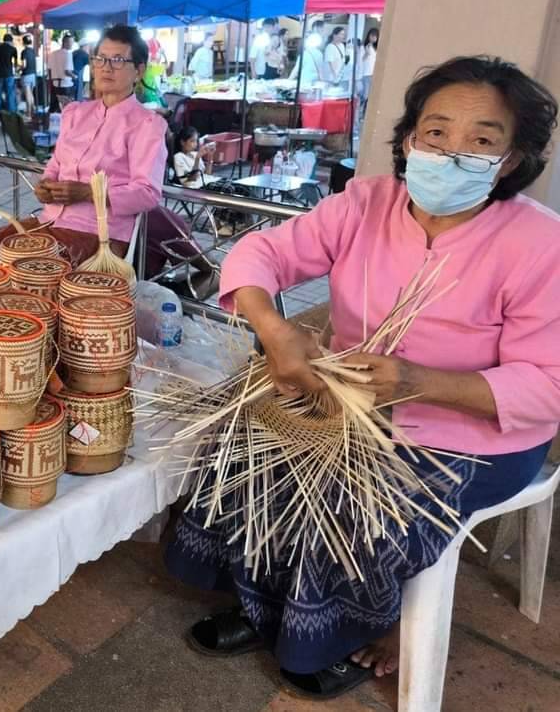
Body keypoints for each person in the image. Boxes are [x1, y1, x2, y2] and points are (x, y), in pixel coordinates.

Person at [165, 55, 560, 700]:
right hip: (347, 398)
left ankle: (361, 629)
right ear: (409, 139)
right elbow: (263, 252)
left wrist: (419, 381)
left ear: (511, 159)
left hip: (469, 432)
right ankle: (264, 605)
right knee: (245, 446)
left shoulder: (541, 244)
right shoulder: (366, 203)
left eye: (482, 140)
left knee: (363, 502)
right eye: (436, 132)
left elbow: (550, 385)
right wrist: (274, 329)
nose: (453, 152)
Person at [0, 24, 166, 266]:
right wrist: (45, 185)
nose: (106, 67)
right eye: (101, 58)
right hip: (50, 222)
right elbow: (56, 164)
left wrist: (89, 193)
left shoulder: (146, 124)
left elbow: (147, 193)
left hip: (98, 234)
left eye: (118, 60)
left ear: (139, 70)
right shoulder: (76, 113)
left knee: (20, 269)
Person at [0, 33, 18, 113]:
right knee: (10, 93)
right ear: (11, 41)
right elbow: (16, 63)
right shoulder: (13, 49)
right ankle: (11, 112)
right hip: (9, 74)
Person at [48, 33, 74, 103]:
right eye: (71, 42)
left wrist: (51, 81)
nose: (72, 44)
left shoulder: (53, 54)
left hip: (55, 84)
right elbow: (67, 72)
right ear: (65, 43)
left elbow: (49, 69)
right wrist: (75, 76)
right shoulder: (68, 54)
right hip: (66, 85)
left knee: (58, 107)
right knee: (67, 107)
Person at [359, 27, 379, 117]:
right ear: (369, 36)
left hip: (374, 74)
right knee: (365, 95)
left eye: (375, 36)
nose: (373, 38)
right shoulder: (363, 47)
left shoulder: (376, 48)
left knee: (371, 96)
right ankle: (360, 112)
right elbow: (361, 60)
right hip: (366, 74)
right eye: (372, 36)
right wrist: (366, 53)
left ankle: (365, 113)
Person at [19, 33, 37, 116]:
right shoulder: (33, 51)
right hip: (33, 75)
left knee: (27, 94)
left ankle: (28, 112)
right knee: (31, 94)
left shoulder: (24, 52)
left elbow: (24, 65)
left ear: (23, 43)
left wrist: (19, 69)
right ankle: (33, 111)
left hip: (26, 75)